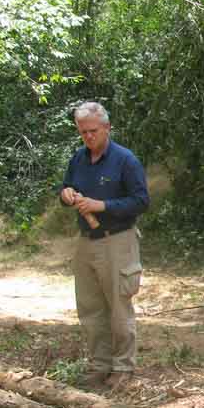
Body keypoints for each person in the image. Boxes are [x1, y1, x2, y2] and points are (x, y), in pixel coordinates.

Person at [59, 101, 149, 388]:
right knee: (90, 307)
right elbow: (65, 186)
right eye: (83, 132)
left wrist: (102, 205)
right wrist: (66, 194)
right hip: (86, 241)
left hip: (117, 240)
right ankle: (99, 365)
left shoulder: (125, 160)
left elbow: (141, 201)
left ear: (107, 127)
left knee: (119, 307)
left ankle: (123, 368)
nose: (88, 136)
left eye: (93, 131)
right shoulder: (78, 159)